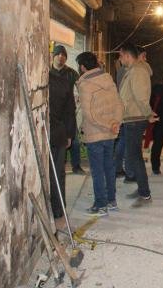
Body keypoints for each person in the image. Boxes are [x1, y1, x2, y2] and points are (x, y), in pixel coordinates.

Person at [75, 51, 123, 216]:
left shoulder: (85, 85)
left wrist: (109, 125)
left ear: (82, 67)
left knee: (97, 171)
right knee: (109, 167)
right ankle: (111, 201)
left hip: (95, 134)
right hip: (110, 134)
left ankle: (100, 205)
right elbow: (119, 104)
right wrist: (115, 123)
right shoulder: (108, 79)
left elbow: (89, 115)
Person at [118, 43, 158, 208]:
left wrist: (148, 114)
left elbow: (141, 97)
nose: (120, 59)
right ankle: (142, 188)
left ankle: (145, 195)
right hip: (131, 118)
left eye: (121, 56)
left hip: (135, 119)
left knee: (135, 157)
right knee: (135, 157)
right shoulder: (133, 70)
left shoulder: (138, 71)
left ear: (127, 55)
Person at [48, 68, 76, 229]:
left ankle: (55, 208)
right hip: (59, 133)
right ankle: (58, 209)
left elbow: (69, 111)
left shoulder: (46, 82)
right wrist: (69, 134)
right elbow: (70, 112)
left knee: (53, 173)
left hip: (52, 133)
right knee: (57, 173)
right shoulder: (63, 83)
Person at [50, 45, 85, 175]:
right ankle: (57, 167)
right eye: (58, 54)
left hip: (68, 112)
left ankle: (76, 166)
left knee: (74, 141)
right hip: (53, 113)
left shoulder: (71, 73)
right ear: (53, 56)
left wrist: (79, 98)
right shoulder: (47, 72)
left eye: (63, 55)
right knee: (56, 143)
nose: (61, 57)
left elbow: (81, 87)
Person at [113, 59, 128, 178]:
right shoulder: (125, 71)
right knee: (123, 140)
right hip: (125, 110)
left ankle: (118, 167)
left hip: (122, 109)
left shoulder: (121, 70)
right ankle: (118, 168)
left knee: (122, 140)